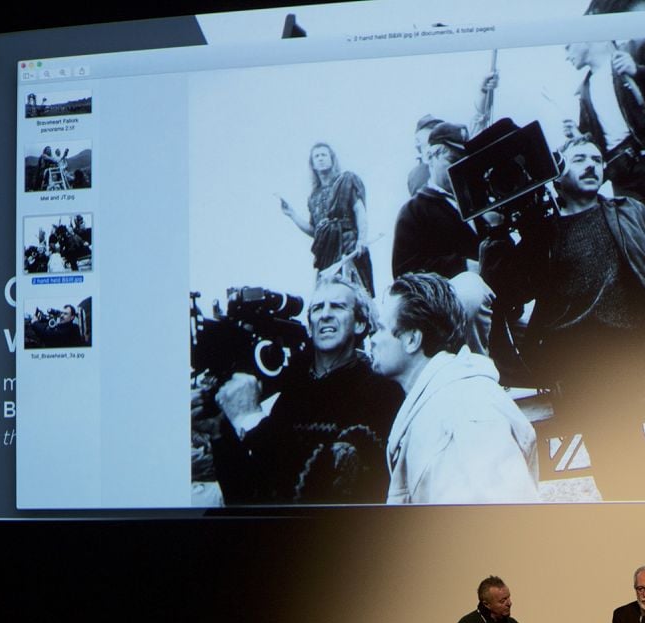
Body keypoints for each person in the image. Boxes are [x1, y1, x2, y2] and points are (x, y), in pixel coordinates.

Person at [482, 135, 645, 500]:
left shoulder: (630, 211)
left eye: (596, 158)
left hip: (642, 344)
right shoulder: (541, 233)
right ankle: (644, 506)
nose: (592, 164)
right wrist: (497, 231)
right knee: (616, 440)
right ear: (557, 172)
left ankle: (641, 509)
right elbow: (506, 290)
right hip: (580, 360)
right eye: (580, 159)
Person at [209, 274, 403, 504]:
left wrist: (250, 419)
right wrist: (221, 432)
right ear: (310, 326)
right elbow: (249, 494)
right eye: (317, 308)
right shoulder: (291, 393)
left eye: (338, 307)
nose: (326, 314)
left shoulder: (382, 390)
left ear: (360, 323)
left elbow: (337, 479)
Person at [367, 272, 539, 504]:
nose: (372, 337)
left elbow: (493, 528)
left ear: (412, 340)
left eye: (380, 328)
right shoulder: (446, 403)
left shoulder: (463, 421)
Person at [391, 122, 496, 356]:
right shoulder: (414, 210)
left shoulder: (479, 205)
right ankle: (478, 372)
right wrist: (463, 265)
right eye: (453, 159)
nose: (460, 167)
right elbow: (403, 272)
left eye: (464, 160)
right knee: (471, 289)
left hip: (498, 307)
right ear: (430, 156)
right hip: (450, 315)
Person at [563, 33, 645, 200]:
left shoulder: (636, 50)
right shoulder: (584, 91)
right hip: (620, 178)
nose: (567, 57)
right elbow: (596, 143)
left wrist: (639, 71)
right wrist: (578, 135)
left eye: (567, 47)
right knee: (638, 224)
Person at [279, 142, 374, 296]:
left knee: (354, 292)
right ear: (313, 164)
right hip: (326, 251)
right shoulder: (313, 197)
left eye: (324, 155)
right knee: (327, 294)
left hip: (348, 243)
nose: (320, 158)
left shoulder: (346, 181)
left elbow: (359, 210)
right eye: (316, 156)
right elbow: (316, 231)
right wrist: (292, 214)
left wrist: (362, 240)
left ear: (332, 159)